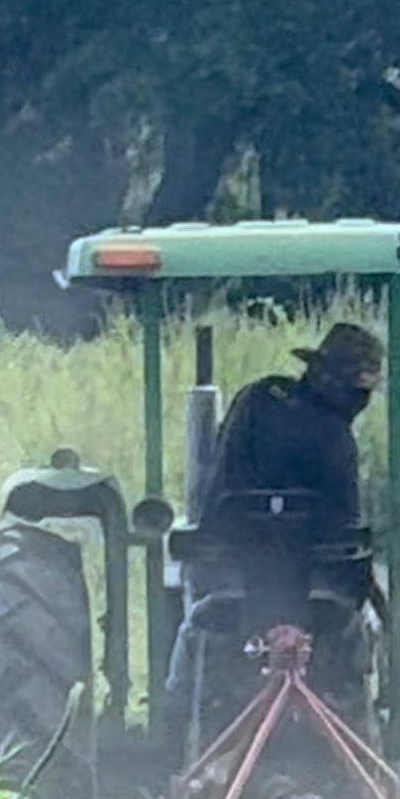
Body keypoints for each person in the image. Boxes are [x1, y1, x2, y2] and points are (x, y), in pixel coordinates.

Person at [165, 324, 386, 753]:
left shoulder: (257, 400)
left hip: (233, 578)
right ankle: (362, 730)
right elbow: (343, 525)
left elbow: (218, 496)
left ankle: (175, 730)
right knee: (362, 627)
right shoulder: (336, 438)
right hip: (319, 590)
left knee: (196, 626)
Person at [197, 322, 385, 548]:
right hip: (309, 574)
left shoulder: (256, 397)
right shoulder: (335, 437)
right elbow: (344, 532)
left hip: (225, 560)